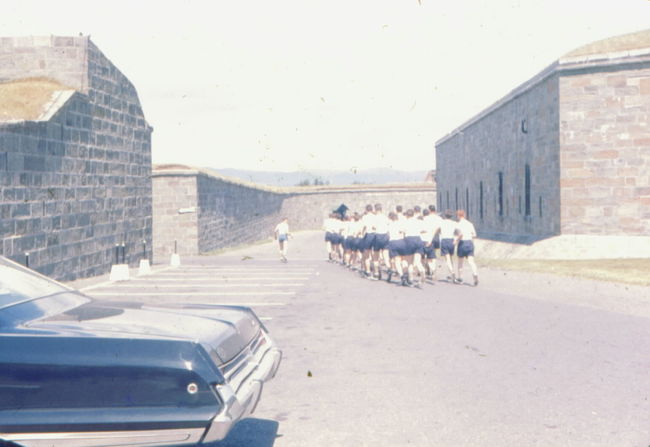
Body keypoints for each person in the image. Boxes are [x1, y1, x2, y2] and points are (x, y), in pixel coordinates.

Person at [455, 209, 479, 286]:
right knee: (471, 261)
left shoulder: (458, 225)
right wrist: (469, 235)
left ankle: (460, 278)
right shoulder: (470, 224)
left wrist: (456, 241)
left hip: (462, 243)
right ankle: (475, 273)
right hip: (469, 242)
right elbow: (474, 235)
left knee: (460, 262)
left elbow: (459, 235)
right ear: (464, 215)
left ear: (458, 216)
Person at [439, 210, 458, 282]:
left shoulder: (442, 222)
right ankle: (450, 273)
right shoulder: (454, 223)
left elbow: (438, 230)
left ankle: (452, 272)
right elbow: (457, 232)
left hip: (444, 240)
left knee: (447, 258)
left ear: (445, 216)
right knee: (450, 257)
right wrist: (456, 240)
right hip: (451, 240)